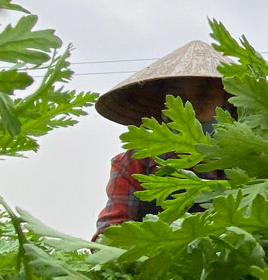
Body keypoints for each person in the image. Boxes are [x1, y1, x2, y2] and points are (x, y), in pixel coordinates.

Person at [93, 40, 234, 238]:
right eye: (179, 96)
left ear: (228, 101)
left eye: (204, 95)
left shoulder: (258, 158)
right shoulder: (135, 163)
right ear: (163, 103)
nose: (191, 108)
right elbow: (111, 233)